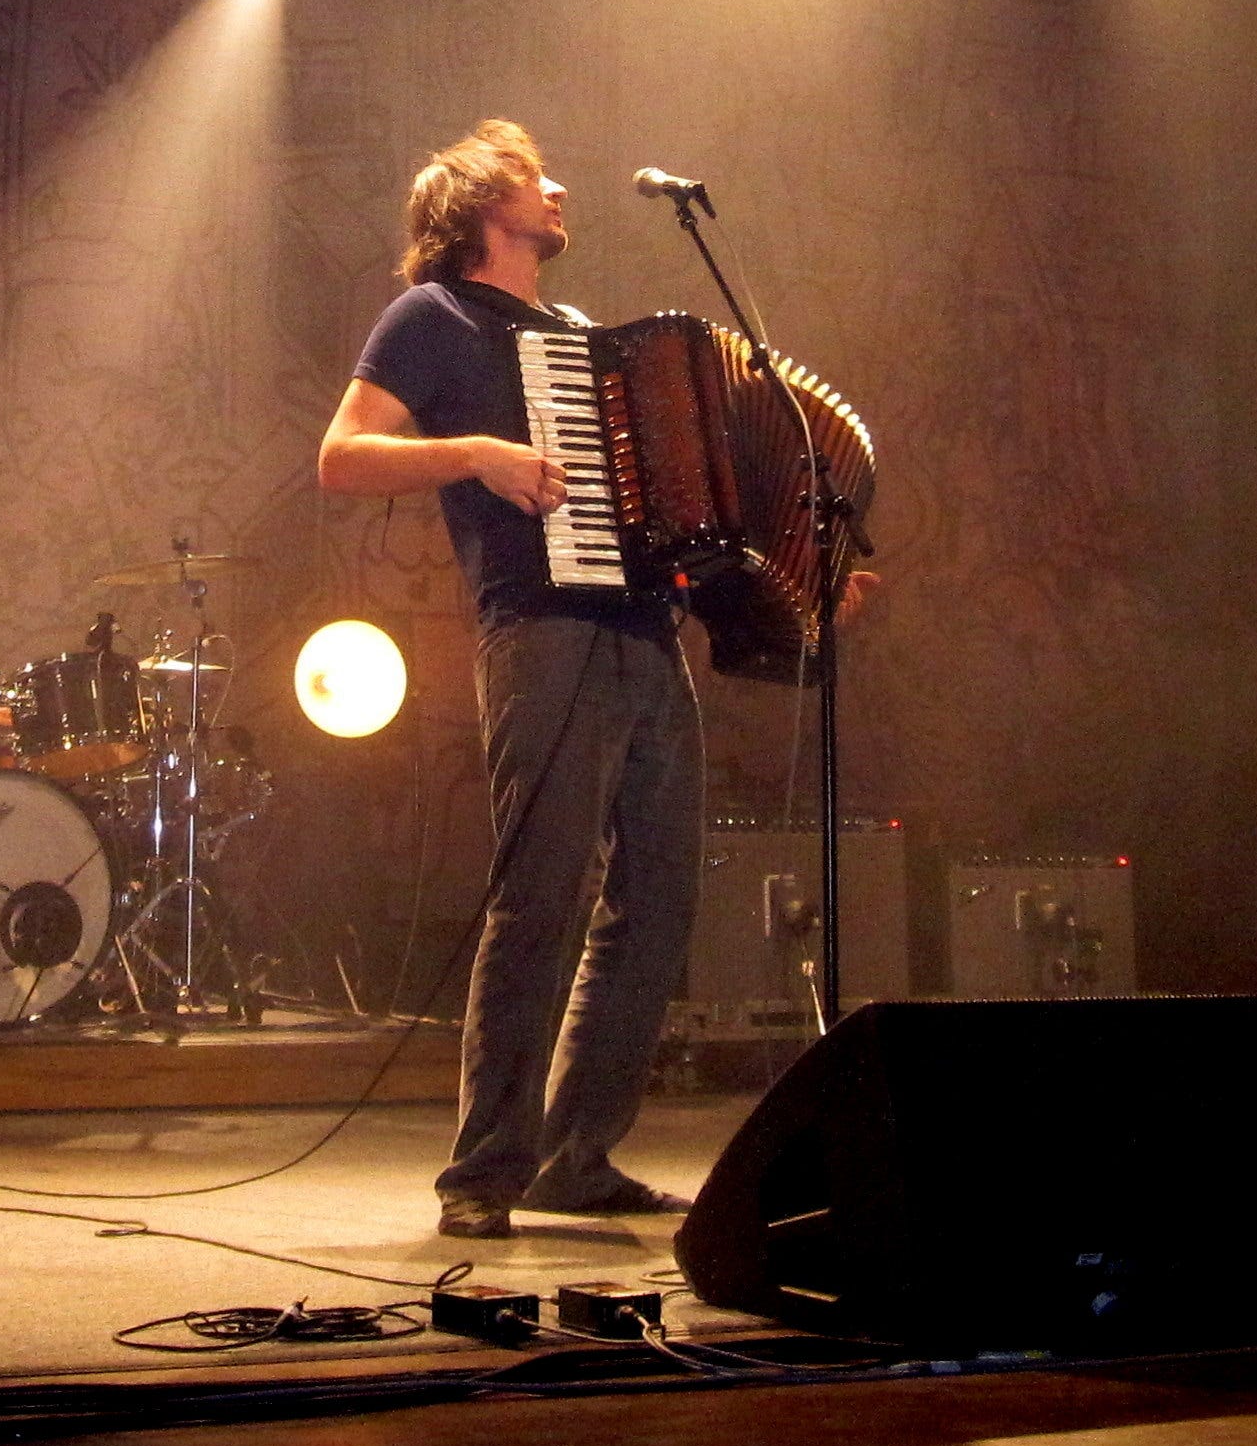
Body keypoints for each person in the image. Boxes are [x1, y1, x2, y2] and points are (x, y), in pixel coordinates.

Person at [320, 121, 879, 1239]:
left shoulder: (580, 339)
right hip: (539, 631)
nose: (560, 188)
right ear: (481, 204)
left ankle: (576, 1157)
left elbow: (679, 522)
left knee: (659, 897)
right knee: (540, 894)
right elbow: (342, 457)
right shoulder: (430, 316)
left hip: (642, 633)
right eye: (536, 177)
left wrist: (798, 588)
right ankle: (484, 1170)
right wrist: (478, 454)